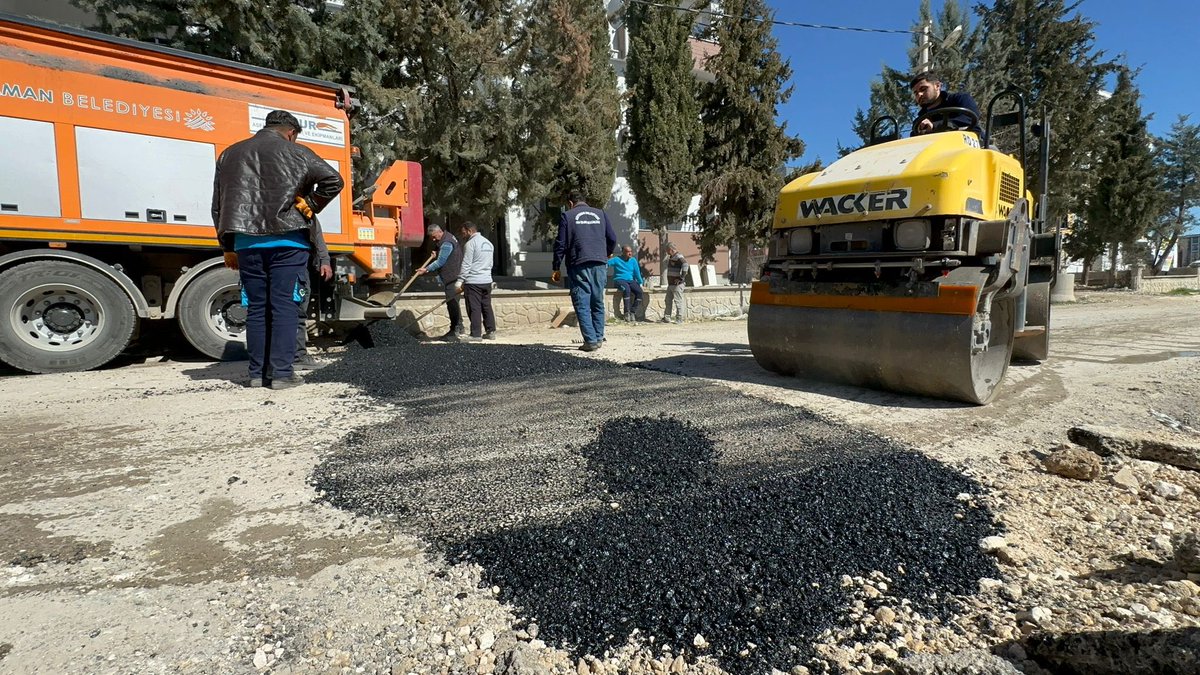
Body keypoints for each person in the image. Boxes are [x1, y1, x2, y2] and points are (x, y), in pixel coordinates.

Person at [212, 109, 343, 390]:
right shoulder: (297, 152)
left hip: (246, 243)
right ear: (291, 132)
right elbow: (334, 180)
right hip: (288, 242)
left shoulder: (230, 154)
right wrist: (312, 203)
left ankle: (257, 374)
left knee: (256, 308)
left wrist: (227, 247)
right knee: (284, 306)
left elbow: (219, 205)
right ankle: (282, 374)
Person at [552, 191, 617, 352]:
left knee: (582, 302)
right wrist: (607, 252)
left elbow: (560, 243)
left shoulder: (567, 216)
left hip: (578, 262)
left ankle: (590, 341)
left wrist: (556, 266)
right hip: (600, 263)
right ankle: (598, 337)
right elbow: (613, 238)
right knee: (597, 301)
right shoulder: (600, 213)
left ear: (570, 203)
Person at [292, 221, 333, 371]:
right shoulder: (299, 203)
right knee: (296, 310)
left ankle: (262, 366)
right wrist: (324, 259)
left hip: (257, 255)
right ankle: (297, 356)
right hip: (294, 260)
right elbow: (315, 230)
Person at [416, 223, 465, 341]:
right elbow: (447, 255)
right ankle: (460, 327)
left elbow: (440, 262)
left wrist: (426, 269)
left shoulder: (446, 243)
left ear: (439, 232)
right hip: (454, 276)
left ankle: (454, 330)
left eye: (434, 236)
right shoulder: (448, 237)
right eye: (431, 238)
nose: (433, 239)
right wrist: (438, 253)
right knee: (454, 303)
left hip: (452, 277)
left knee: (452, 303)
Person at [455, 222, 496, 341]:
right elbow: (491, 263)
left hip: (473, 281)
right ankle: (491, 331)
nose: (463, 236)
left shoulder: (470, 244)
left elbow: (466, 264)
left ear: (469, 231)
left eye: (463, 233)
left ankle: (476, 334)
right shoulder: (488, 243)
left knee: (474, 307)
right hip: (487, 280)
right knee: (486, 306)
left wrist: (460, 280)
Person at [909, 71, 982, 138]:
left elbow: (969, 119)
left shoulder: (960, 99)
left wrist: (935, 126)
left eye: (923, 89)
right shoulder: (920, 120)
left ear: (937, 86)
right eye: (916, 93)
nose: (919, 95)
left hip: (973, 145)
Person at [607, 245, 645, 322]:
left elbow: (637, 272)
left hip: (630, 280)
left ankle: (632, 312)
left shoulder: (633, 260)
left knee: (639, 292)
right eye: (628, 252)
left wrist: (640, 282)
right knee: (626, 289)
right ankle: (626, 313)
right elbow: (606, 263)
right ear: (623, 252)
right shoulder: (617, 259)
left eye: (631, 251)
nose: (630, 253)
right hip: (619, 280)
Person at [662, 242, 688, 324]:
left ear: (671, 249)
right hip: (671, 284)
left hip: (677, 284)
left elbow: (685, 264)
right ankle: (667, 317)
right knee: (668, 300)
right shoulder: (671, 257)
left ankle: (679, 319)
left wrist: (681, 278)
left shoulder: (678, 256)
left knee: (678, 301)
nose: (666, 252)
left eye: (667, 250)